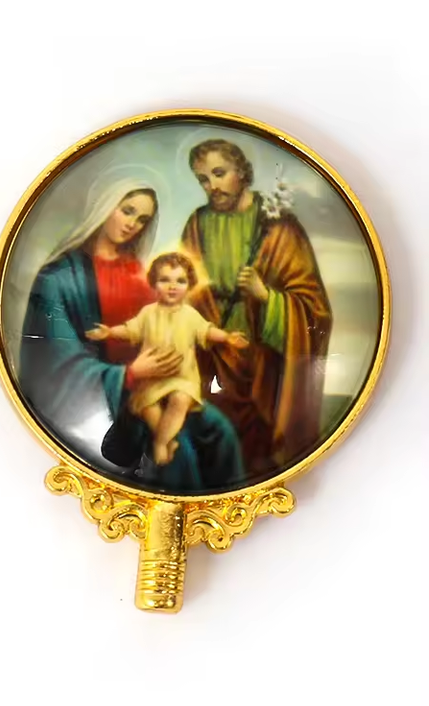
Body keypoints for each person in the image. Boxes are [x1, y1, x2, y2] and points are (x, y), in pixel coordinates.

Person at [19, 178, 244, 493]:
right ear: (104, 206)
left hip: (163, 384)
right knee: (179, 454)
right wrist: (130, 373)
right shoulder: (58, 280)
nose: (132, 225)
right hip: (112, 394)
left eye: (142, 220)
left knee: (221, 434)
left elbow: (170, 325)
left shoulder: (143, 277)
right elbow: (54, 365)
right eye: (127, 211)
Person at [180, 139, 332, 477]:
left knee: (256, 453)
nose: (212, 185)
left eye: (219, 173)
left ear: (242, 172)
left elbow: (315, 310)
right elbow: (184, 286)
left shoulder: (279, 227)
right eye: (203, 179)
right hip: (211, 354)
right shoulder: (197, 224)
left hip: (264, 363)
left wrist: (265, 296)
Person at [86, 252, 248, 466]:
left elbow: (207, 331)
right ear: (154, 283)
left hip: (182, 378)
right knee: (147, 408)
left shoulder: (190, 315)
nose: (172, 286)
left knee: (179, 399)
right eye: (165, 280)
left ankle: (160, 443)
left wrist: (227, 337)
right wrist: (109, 332)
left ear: (190, 285)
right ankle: (166, 440)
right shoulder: (148, 313)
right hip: (152, 380)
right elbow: (130, 330)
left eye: (180, 281)